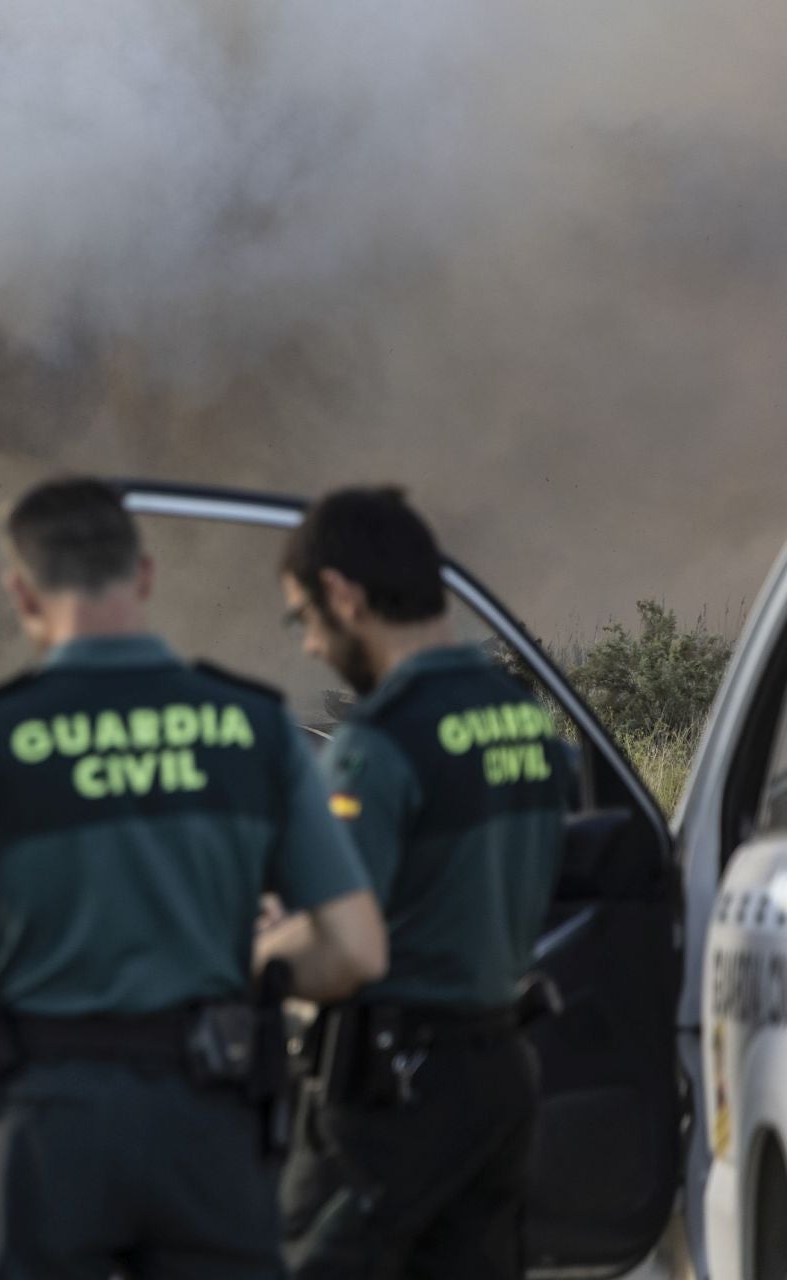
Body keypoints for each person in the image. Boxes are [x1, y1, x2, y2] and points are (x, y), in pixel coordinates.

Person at [0, 476, 387, 1280]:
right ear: (143, 575)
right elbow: (353, 951)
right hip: (209, 1129)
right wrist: (250, 970)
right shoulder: (253, 728)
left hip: (44, 1130)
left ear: (21, 592)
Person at [266, 486, 575, 1279]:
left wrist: (258, 952)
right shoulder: (524, 721)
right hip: (502, 1078)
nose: (307, 644)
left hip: (391, 1098)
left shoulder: (379, 745)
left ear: (344, 594)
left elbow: (346, 950)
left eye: (302, 617)